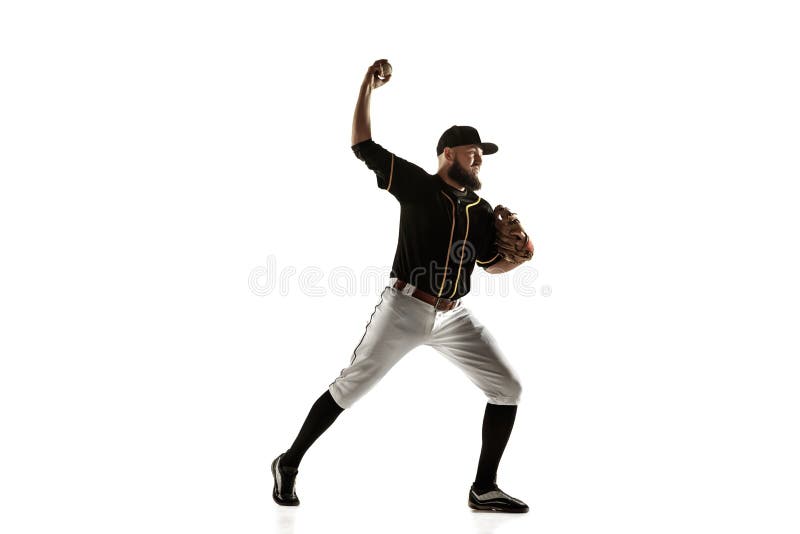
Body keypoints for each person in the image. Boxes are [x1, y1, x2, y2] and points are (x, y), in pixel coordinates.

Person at [271, 59, 534, 513]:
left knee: (508, 387)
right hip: (404, 308)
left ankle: (484, 487)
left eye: (482, 153)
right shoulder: (416, 184)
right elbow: (363, 145)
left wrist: (521, 256)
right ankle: (289, 462)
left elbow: (491, 266)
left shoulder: (481, 209)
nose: (479, 157)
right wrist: (366, 86)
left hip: (455, 315)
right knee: (350, 387)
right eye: (472, 150)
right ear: (447, 154)